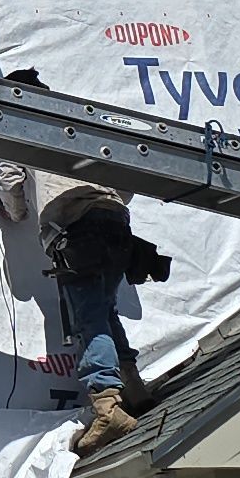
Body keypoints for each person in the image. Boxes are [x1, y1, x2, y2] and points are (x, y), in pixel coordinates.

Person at [42, 184, 173, 454]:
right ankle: (134, 389)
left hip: (74, 223)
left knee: (89, 317)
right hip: (115, 219)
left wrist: (9, 206)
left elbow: (10, 180)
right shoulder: (101, 141)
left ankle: (108, 407)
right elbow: (125, 185)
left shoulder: (28, 140)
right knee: (104, 310)